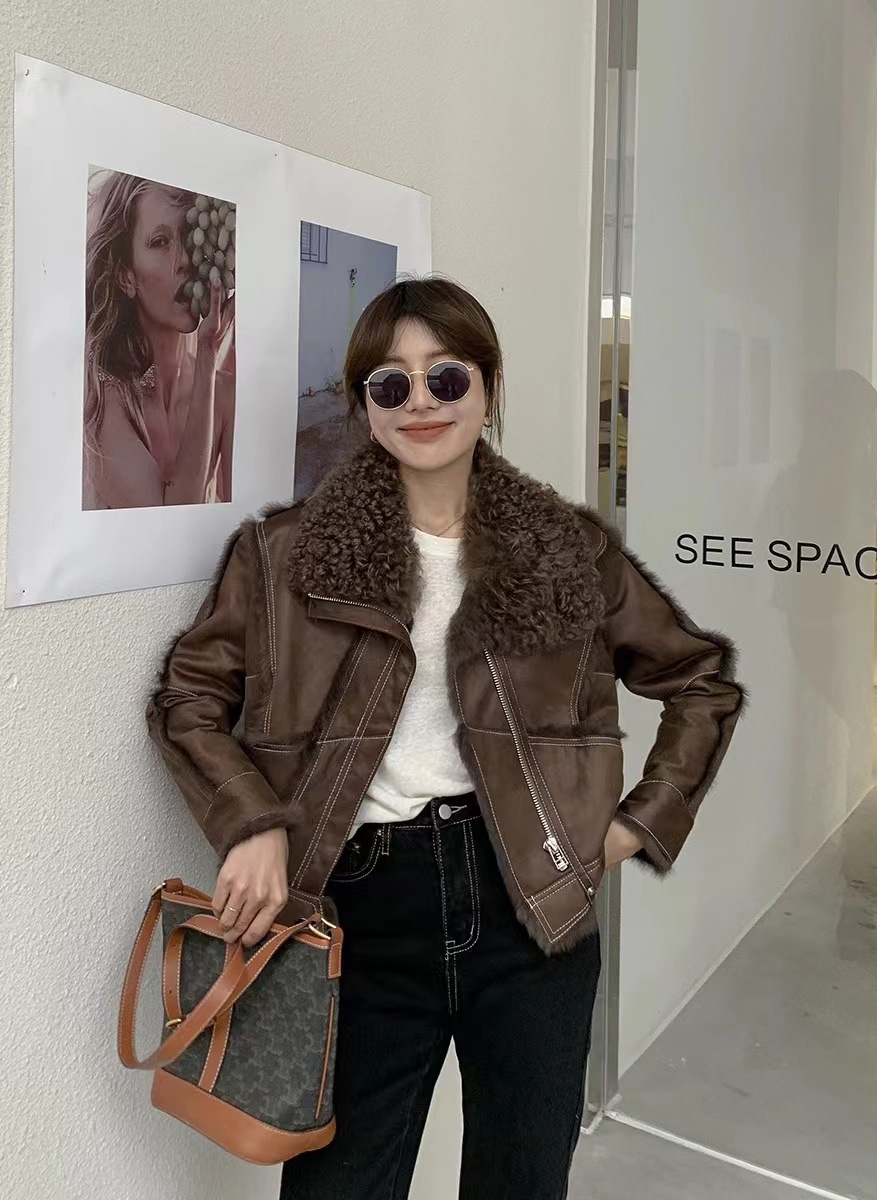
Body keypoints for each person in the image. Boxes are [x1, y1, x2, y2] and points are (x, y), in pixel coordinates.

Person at [147, 277, 745, 1199]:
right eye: (390, 384)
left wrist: (637, 824)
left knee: (521, 1180)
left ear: (489, 388)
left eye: (447, 376)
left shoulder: (568, 550)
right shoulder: (285, 555)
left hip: (531, 907)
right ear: (363, 406)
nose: (420, 402)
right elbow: (187, 696)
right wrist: (251, 822)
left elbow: (699, 680)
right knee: (340, 1186)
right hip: (357, 908)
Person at [83, 171, 234, 510]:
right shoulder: (105, 400)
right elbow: (172, 517)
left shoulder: (225, 393)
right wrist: (208, 352)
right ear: (126, 277)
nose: (185, 261)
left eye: (188, 237)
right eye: (160, 242)